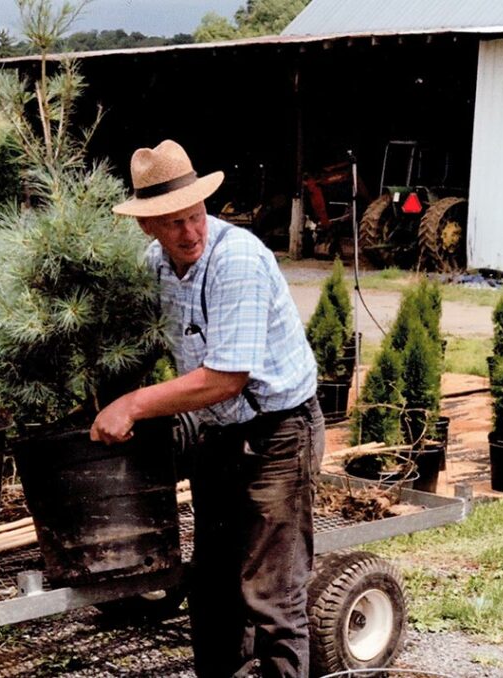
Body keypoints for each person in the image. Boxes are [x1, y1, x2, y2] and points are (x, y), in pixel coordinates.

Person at [91, 139, 324, 678]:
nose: (190, 233)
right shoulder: (155, 264)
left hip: (279, 433)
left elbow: (226, 378)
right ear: (147, 226)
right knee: (213, 584)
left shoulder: (235, 258)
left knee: (271, 591)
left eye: (195, 216)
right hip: (220, 435)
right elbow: (142, 345)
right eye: (173, 223)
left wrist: (133, 404)